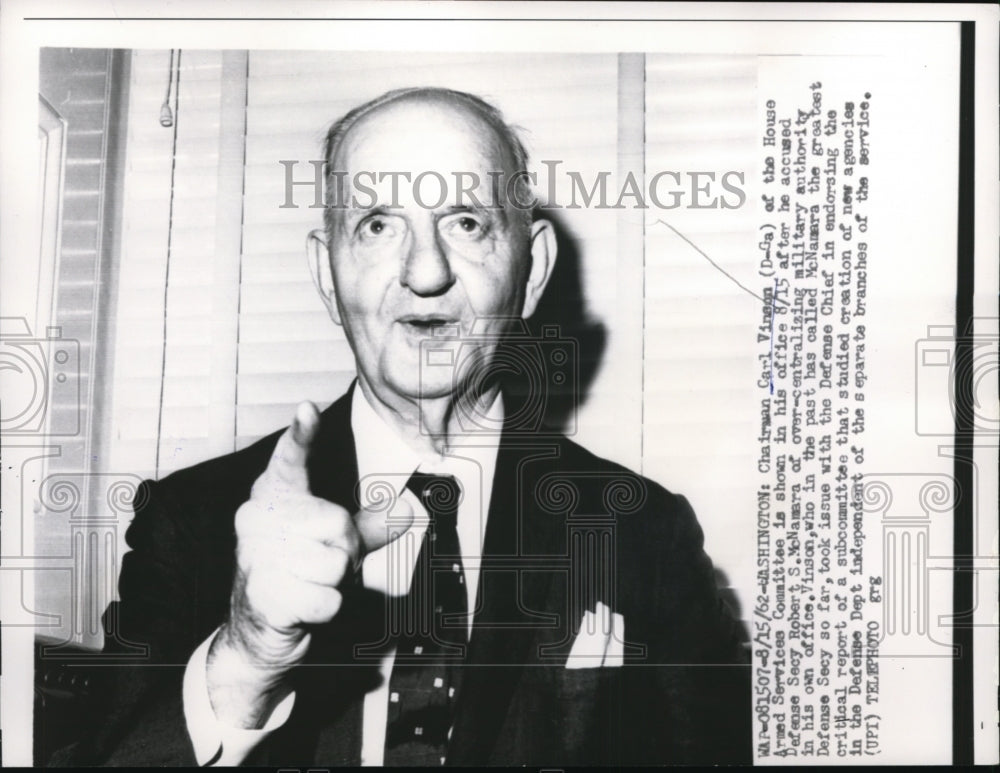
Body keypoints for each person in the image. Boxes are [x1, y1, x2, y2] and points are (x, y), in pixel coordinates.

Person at [61, 87, 750, 766]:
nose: (426, 272)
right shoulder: (192, 521)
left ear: (532, 270)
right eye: (378, 225)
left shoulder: (644, 533)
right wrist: (246, 654)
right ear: (327, 277)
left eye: (468, 223)